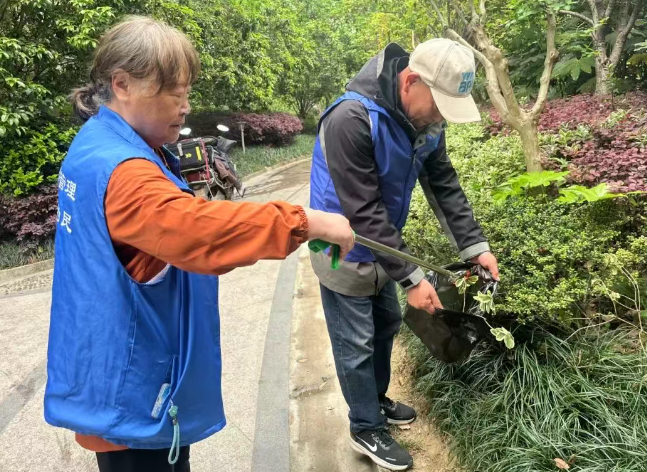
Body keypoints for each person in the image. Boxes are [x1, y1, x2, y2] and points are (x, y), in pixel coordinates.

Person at [44, 16, 354, 472]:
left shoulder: (99, 142)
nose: (186, 107)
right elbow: (195, 231)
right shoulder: (125, 172)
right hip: (132, 396)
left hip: (112, 372)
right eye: (175, 93)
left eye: (187, 92)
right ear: (122, 84)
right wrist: (306, 221)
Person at [309, 38, 500, 470]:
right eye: (439, 106)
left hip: (384, 244)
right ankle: (364, 426)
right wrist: (413, 278)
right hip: (339, 247)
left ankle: (373, 400)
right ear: (411, 81)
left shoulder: (425, 122)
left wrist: (476, 247)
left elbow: (443, 183)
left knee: (386, 325)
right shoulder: (350, 118)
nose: (440, 118)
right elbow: (362, 211)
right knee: (355, 343)